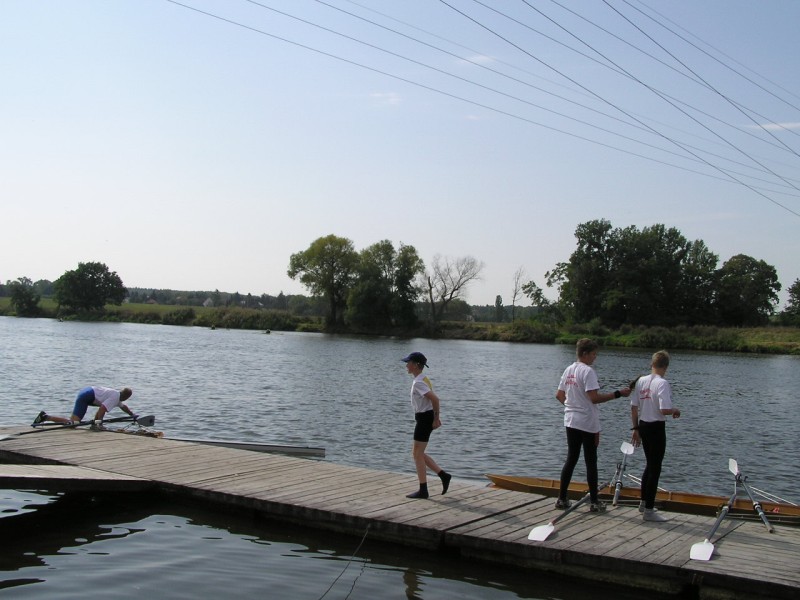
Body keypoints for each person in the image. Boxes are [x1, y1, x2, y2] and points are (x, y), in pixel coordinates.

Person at [555, 339, 630, 512]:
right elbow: (594, 398)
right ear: (585, 354)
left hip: (571, 420)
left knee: (571, 458)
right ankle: (594, 502)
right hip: (587, 422)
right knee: (591, 461)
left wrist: (572, 406)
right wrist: (618, 394)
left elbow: (559, 395)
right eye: (594, 354)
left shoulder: (569, 369)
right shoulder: (588, 371)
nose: (595, 357)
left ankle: (561, 498)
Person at [630, 350, 681, 522]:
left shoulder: (641, 381)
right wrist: (675, 410)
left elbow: (634, 407)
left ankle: (644, 503)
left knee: (649, 465)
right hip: (656, 428)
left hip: (643, 425)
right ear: (665, 367)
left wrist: (635, 428)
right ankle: (649, 511)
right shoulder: (662, 383)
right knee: (655, 468)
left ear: (652, 364)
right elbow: (664, 409)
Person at [401, 352, 451, 499]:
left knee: (417, 454)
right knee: (418, 453)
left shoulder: (418, 382)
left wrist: (436, 419)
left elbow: (435, 399)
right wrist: (434, 418)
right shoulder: (423, 378)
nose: (406, 365)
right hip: (424, 417)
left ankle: (423, 490)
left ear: (416, 365)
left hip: (424, 419)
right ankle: (443, 475)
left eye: (408, 362)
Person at [32, 386, 136, 426]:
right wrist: (100, 423)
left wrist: (132, 415)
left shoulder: (116, 396)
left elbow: (124, 407)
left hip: (87, 391)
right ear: (126, 397)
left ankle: (94, 425)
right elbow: (102, 409)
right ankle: (45, 417)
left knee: (73, 422)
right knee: (73, 423)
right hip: (87, 396)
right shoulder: (115, 398)